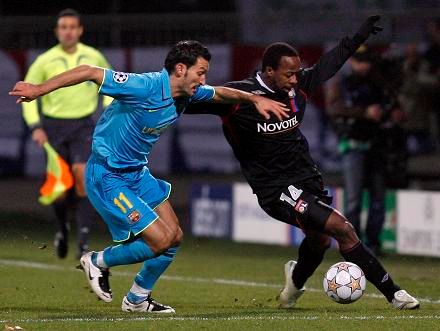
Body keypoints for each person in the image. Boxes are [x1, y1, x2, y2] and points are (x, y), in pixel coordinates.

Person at [10, 40, 289, 313]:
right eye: (201, 72)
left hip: (136, 173)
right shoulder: (143, 86)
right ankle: (97, 260)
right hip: (108, 175)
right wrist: (39, 89)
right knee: (159, 240)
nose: (204, 78)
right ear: (180, 69)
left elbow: (221, 93)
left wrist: (254, 98)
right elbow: (89, 71)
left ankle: (137, 299)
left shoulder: (189, 93)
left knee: (174, 236)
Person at [185, 16, 420, 309]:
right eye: (288, 74)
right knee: (342, 228)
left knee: (319, 241)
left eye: (297, 73)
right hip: (275, 188)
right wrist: (141, 95)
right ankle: (394, 293)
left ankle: (292, 287)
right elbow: (185, 101)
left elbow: (329, 63)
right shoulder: (239, 96)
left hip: (307, 178)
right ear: (269, 71)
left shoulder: (298, 87)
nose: (295, 80)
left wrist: (358, 37)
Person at [22, 8, 112, 259]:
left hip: (83, 126)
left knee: (82, 175)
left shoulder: (93, 56)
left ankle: (83, 242)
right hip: (53, 128)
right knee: (60, 189)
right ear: (57, 31)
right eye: (64, 27)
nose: (68, 31)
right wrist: (36, 127)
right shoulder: (44, 60)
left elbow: (109, 85)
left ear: (80, 30)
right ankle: (62, 228)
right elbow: (28, 94)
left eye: (73, 27)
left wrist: (106, 114)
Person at [325, 45, 388, 256]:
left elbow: (388, 107)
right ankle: (353, 245)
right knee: (353, 199)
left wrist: (391, 112)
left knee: (378, 198)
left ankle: (374, 243)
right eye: (360, 61)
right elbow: (333, 108)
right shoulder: (341, 84)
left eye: (367, 61)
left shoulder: (379, 83)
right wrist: (364, 113)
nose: (364, 65)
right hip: (352, 146)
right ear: (352, 62)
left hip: (377, 145)